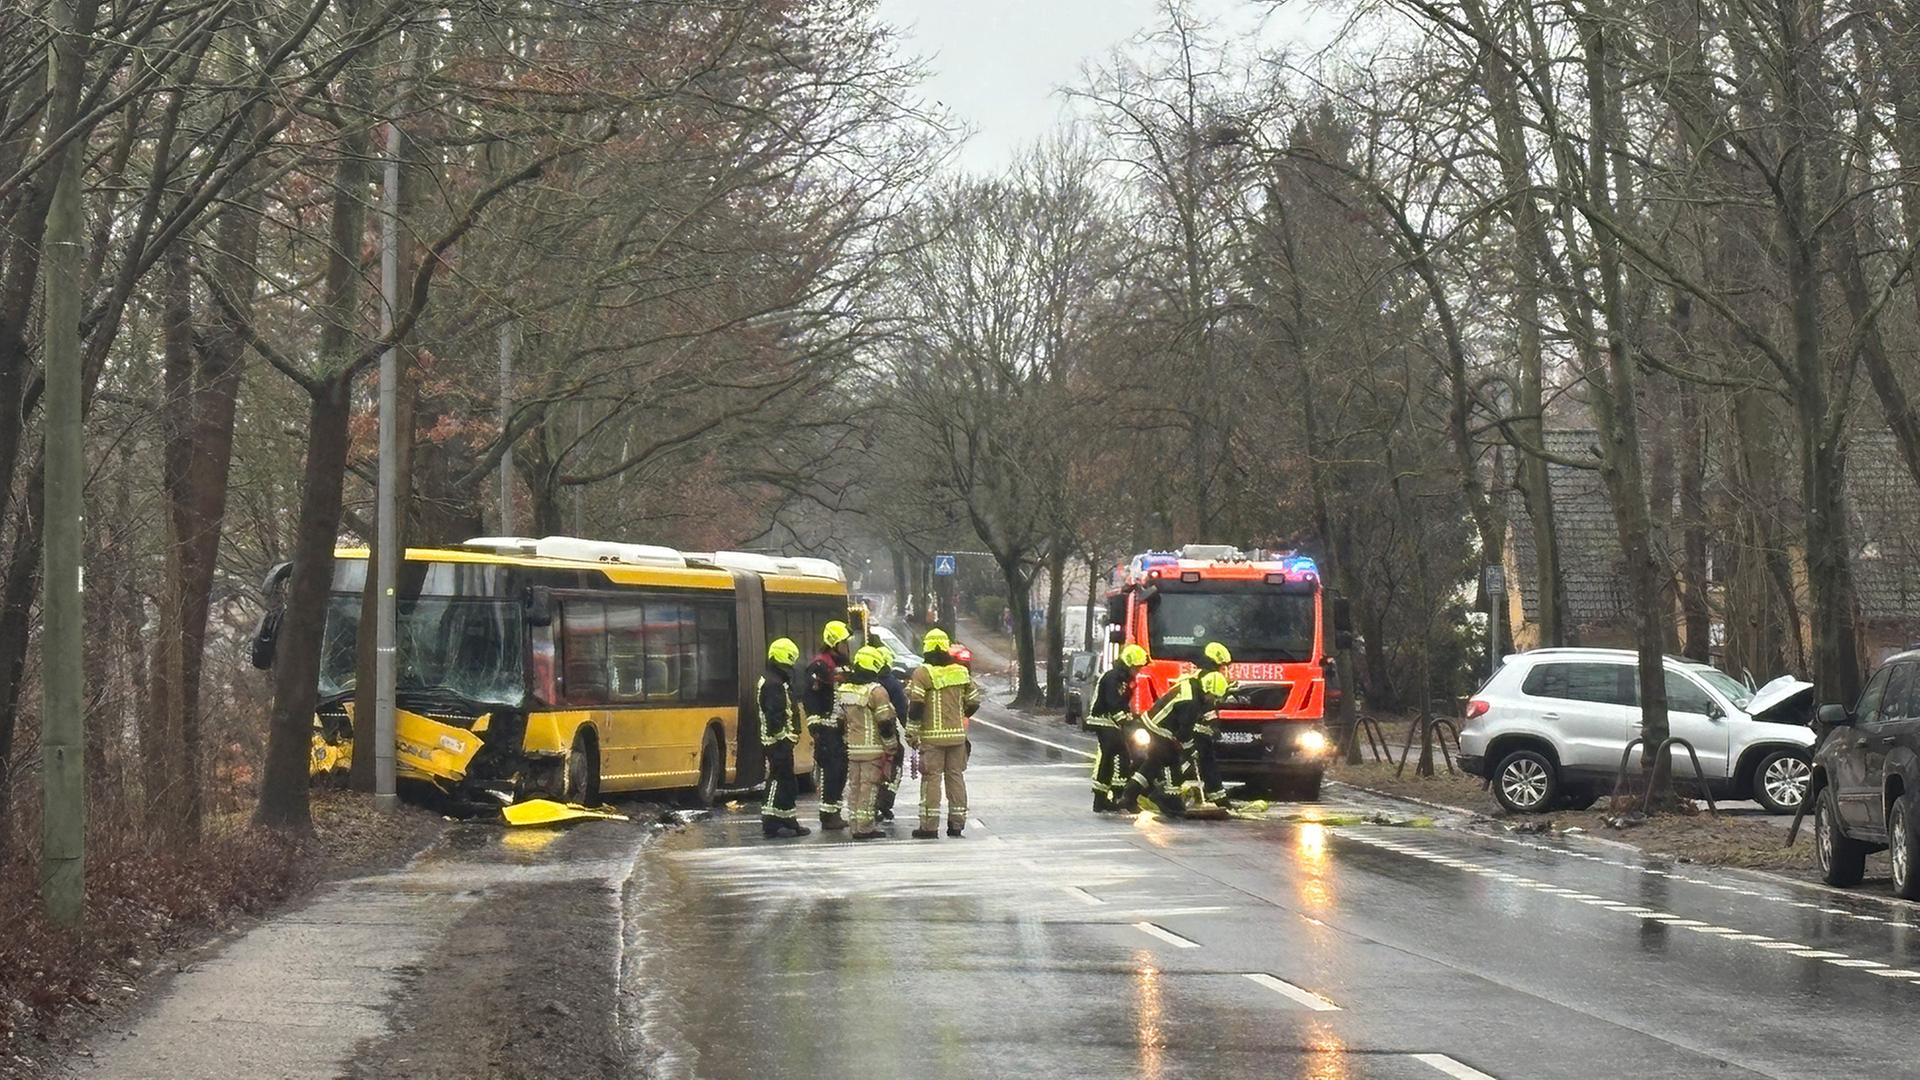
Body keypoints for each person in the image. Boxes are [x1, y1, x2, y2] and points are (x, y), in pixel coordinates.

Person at [1118, 643, 1232, 816]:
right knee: (1172, 761)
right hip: (1160, 728)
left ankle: (1130, 795)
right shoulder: (1191, 702)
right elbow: (1184, 732)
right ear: (1208, 690)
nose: (1212, 700)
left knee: (1154, 762)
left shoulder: (1194, 682)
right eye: (1212, 696)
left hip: (1153, 723)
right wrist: (1190, 749)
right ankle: (1168, 799)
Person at [905, 627, 983, 839]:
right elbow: (975, 700)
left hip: (932, 739)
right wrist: (961, 716)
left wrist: (911, 733)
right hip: (957, 737)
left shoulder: (923, 673)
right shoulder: (960, 671)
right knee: (955, 777)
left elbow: (916, 706)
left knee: (931, 780)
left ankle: (929, 827)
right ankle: (956, 825)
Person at [839, 645, 899, 840]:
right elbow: (885, 722)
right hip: (872, 748)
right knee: (869, 788)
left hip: (853, 749)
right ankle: (865, 828)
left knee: (854, 787)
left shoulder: (845, 690)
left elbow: (840, 720)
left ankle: (855, 824)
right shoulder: (876, 691)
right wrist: (891, 745)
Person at [758, 637, 811, 838]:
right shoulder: (773, 683)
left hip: (780, 741)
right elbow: (774, 715)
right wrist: (785, 738)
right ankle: (771, 822)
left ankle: (788, 820)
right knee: (778, 780)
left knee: (787, 781)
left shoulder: (777, 680)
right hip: (776, 742)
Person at [1087, 644, 1149, 812]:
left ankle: (1104, 799)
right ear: (1129, 664)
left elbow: (1123, 704)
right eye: (1137, 667)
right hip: (1102, 719)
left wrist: (1132, 718)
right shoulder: (1113, 678)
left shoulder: (1125, 679)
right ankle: (1115, 795)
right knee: (1119, 753)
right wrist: (1125, 720)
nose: (1139, 671)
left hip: (1112, 720)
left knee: (1112, 756)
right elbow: (1113, 703)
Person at [804, 620, 853, 830]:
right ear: (834, 643)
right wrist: (816, 729)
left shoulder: (843, 665)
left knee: (841, 771)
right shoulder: (819, 666)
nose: (846, 646)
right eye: (843, 642)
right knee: (831, 771)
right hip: (827, 729)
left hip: (842, 729)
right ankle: (827, 815)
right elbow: (811, 698)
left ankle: (835, 812)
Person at [1183, 642, 1234, 807]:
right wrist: (1214, 725)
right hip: (1198, 728)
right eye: (1221, 665)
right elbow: (1208, 705)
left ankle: (1217, 795)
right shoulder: (1209, 676)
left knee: (1205, 761)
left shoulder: (1202, 674)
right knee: (1193, 761)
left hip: (1197, 726)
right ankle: (1164, 789)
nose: (1223, 669)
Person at [873, 646, 911, 822]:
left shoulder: (862, 683)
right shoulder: (892, 684)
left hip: (863, 736)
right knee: (894, 763)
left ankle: (868, 805)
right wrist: (911, 733)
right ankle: (885, 801)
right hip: (887, 731)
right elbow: (902, 710)